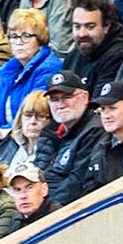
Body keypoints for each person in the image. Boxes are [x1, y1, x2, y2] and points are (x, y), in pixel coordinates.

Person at [0, 7, 59, 133]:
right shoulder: (9, 70)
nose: (18, 42)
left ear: (40, 39)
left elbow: (34, 112)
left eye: (26, 36)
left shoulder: (48, 69)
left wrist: (1, 132)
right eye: (13, 36)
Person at [37, 69, 99, 204]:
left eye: (67, 97)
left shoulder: (95, 129)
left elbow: (76, 183)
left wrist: (46, 210)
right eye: (54, 100)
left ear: (85, 97)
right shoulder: (51, 133)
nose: (60, 105)